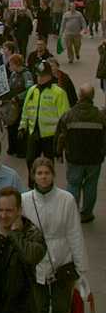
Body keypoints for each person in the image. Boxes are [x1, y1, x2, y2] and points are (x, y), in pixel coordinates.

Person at [21, 157, 88, 313]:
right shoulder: (24, 200)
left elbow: (74, 232)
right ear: (33, 176)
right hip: (36, 262)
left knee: (61, 305)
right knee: (39, 309)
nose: (43, 177)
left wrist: (81, 266)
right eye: (39, 173)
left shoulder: (66, 199)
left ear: (53, 175)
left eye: (47, 173)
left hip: (62, 262)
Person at [56, 83, 106, 223]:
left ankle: (72, 213)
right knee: (91, 185)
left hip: (74, 157)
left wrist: (58, 153)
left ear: (79, 96)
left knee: (73, 184)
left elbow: (60, 136)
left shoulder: (69, 115)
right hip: (94, 159)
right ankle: (87, 213)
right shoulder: (100, 116)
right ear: (93, 96)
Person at [18, 60, 69, 184]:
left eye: (43, 75)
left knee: (48, 165)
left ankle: (48, 186)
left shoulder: (59, 93)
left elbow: (64, 116)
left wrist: (62, 136)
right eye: (38, 75)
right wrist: (22, 127)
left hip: (50, 136)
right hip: (34, 133)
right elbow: (26, 110)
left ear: (49, 75)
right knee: (30, 160)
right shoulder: (32, 90)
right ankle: (33, 186)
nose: (40, 78)